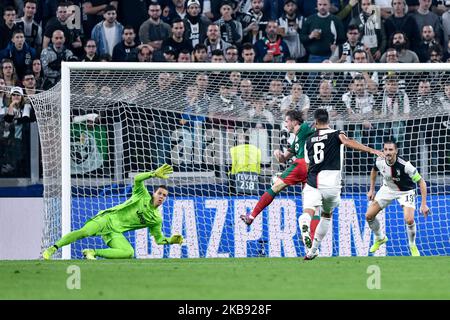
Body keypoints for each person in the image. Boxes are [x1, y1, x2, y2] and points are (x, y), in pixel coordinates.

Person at [42, 164, 184, 260]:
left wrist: (171, 241)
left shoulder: (156, 219)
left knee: (129, 253)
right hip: (107, 219)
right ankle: (53, 249)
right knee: (84, 232)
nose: (161, 197)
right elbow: (137, 179)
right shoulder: (142, 195)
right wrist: (153, 174)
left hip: (115, 232)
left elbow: (159, 239)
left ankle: (92, 252)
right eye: (160, 193)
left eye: (164, 196)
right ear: (154, 193)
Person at [303, 109, 383, 260]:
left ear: (315, 123)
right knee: (326, 215)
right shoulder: (336, 133)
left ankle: (305, 223)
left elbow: (307, 167)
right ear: (328, 121)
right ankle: (313, 250)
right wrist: (371, 150)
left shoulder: (308, 140)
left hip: (314, 183)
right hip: (332, 186)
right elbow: (347, 142)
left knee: (308, 211)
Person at [240, 110, 319, 250]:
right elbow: (284, 158)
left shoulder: (304, 127)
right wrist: (279, 155)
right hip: (311, 170)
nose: (286, 124)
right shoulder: (296, 140)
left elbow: (313, 124)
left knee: (274, 188)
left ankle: (251, 217)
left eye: (287, 121)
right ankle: (311, 242)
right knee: (311, 207)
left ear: (295, 121)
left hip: (301, 165)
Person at [366, 141, 430, 256]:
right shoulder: (379, 161)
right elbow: (374, 171)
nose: (388, 152)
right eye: (385, 149)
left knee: (409, 219)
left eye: (390, 150)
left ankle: (412, 245)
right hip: (387, 189)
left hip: (405, 191)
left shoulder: (405, 165)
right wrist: (371, 189)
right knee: (369, 216)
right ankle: (380, 238)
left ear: (396, 151)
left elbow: (421, 182)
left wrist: (424, 204)